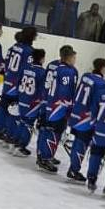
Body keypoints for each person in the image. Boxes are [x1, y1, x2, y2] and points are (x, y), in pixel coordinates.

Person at [66, 58, 105, 182]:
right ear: (102, 68)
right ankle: (74, 170)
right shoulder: (102, 84)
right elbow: (97, 103)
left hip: (76, 113)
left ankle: (73, 168)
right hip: (86, 118)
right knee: (81, 143)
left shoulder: (86, 76)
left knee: (78, 141)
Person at [36, 45, 78, 173]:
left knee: (46, 129)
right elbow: (64, 92)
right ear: (69, 57)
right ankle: (46, 158)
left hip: (49, 103)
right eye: (74, 57)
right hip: (58, 107)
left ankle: (42, 155)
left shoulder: (56, 67)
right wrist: (69, 106)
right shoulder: (68, 71)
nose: (75, 60)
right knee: (54, 132)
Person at [0, 26, 37, 145]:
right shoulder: (29, 51)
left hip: (8, 81)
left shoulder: (13, 47)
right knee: (15, 110)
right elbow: (28, 70)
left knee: (3, 106)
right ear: (32, 37)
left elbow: (6, 63)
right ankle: (10, 134)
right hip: (17, 85)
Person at [13, 48, 47, 157]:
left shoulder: (25, 68)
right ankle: (21, 147)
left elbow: (18, 83)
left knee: (21, 121)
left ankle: (15, 143)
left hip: (22, 99)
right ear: (42, 59)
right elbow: (42, 91)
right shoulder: (42, 72)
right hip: (32, 103)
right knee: (28, 124)